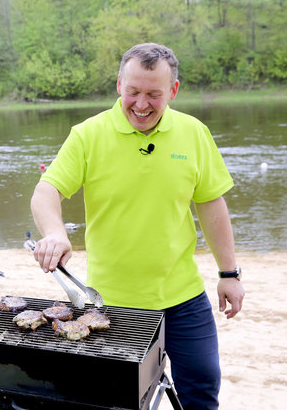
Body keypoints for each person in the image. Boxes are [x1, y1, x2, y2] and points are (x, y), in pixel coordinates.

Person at [30, 43, 245, 410]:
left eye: (153, 94)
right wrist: (55, 232)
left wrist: (229, 273)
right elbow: (46, 190)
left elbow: (211, 204)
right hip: (112, 304)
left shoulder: (193, 133)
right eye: (133, 92)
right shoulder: (88, 134)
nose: (141, 104)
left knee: (203, 390)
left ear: (173, 91)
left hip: (184, 299)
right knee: (124, 401)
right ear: (119, 85)